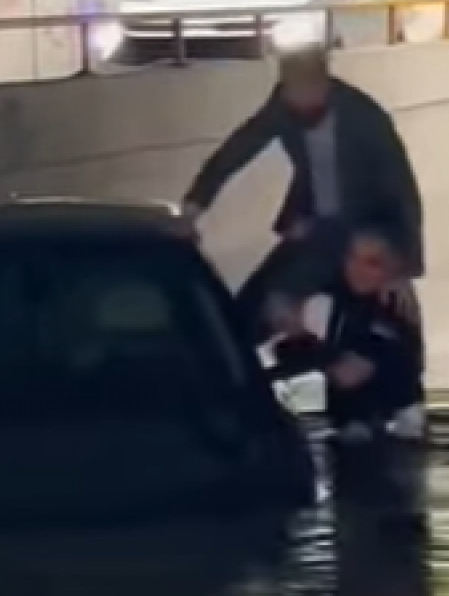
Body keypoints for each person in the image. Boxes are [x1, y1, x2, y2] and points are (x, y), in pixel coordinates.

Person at [179, 44, 424, 335]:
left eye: (303, 93)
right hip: (314, 227)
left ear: (323, 85)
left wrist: (401, 265)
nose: (295, 104)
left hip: (365, 230)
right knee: (252, 309)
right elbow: (238, 150)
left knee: (374, 318)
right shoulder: (283, 107)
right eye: (289, 92)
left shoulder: (364, 118)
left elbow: (402, 190)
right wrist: (194, 205)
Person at [264, 230, 426, 441]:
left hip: (395, 416)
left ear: (390, 270)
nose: (358, 270)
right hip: (349, 419)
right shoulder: (328, 303)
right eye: (352, 259)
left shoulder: (393, 310)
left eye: (372, 263)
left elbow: (350, 371)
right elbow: (286, 347)